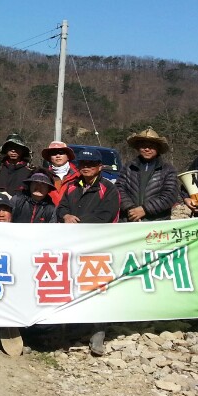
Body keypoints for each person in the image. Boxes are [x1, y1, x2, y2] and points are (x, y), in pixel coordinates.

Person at [57, 147, 120, 356]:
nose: (86, 167)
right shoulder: (72, 186)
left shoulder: (108, 188)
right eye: (83, 164)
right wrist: (66, 216)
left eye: (91, 164)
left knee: (98, 288)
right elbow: (62, 208)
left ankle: (98, 332)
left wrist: (78, 222)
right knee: (73, 285)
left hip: (97, 246)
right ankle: (71, 330)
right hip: (73, 245)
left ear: (99, 167)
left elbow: (106, 215)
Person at [118, 127, 178, 222]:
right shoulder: (128, 167)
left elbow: (170, 195)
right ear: (138, 147)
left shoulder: (168, 170)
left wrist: (144, 209)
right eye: (143, 146)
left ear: (158, 148)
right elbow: (119, 189)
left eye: (151, 146)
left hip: (157, 222)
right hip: (129, 220)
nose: (147, 149)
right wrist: (131, 209)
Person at [41, 141, 80, 207]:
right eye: (53, 153)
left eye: (61, 153)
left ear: (68, 156)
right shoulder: (43, 176)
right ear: (49, 158)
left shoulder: (79, 176)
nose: (58, 156)